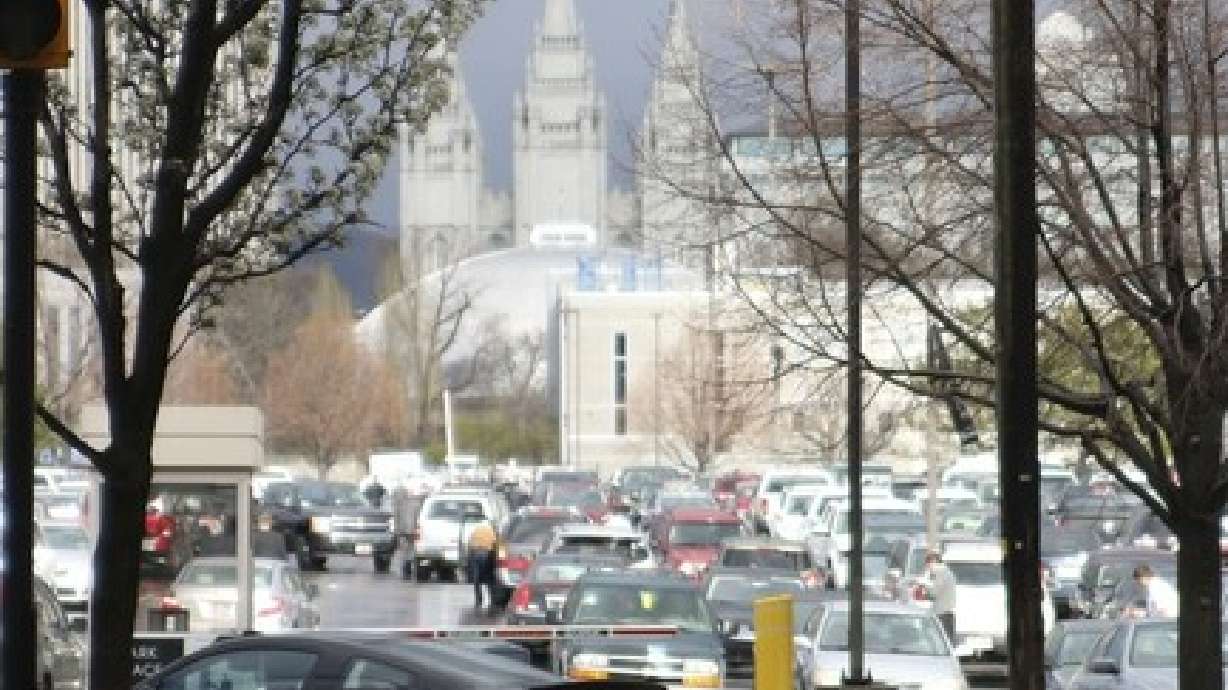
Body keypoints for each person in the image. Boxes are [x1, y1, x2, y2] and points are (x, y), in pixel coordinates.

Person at [924, 552, 957, 641]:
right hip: (948, 611)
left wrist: (925, 589)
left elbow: (934, 591)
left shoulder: (939, 571)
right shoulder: (946, 571)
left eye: (928, 564)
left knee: (941, 640)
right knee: (948, 640)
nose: (928, 568)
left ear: (933, 561)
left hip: (942, 612)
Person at [466, 518, 498, 608]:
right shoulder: (491, 531)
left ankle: (479, 599)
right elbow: (494, 544)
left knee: (477, 577)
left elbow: (470, 544)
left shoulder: (476, 530)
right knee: (489, 577)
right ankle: (492, 598)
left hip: (475, 552)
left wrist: (469, 557)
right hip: (486, 553)